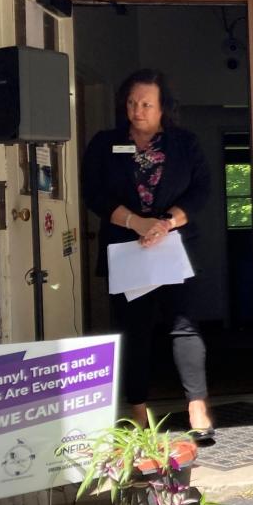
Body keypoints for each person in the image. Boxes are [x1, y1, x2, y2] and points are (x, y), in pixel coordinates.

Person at [82, 70, 215, 439]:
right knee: (134, 331)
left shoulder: (184, 143)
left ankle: (197, 408)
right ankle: (138, 411)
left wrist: (165, 223)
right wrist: (137, 223)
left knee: (184, 327)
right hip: (128, 251)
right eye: (131, 103)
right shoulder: (105, 143)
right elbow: (94, 194)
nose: (137, 110)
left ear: (162, 108)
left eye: (146, 104)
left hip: (174, 249)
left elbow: (201, 191)